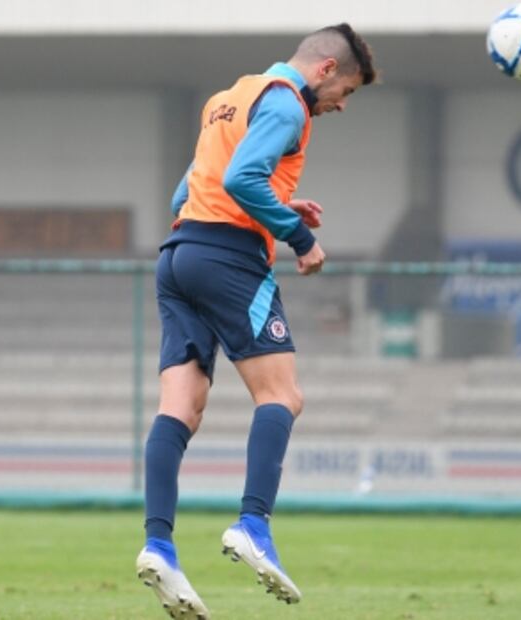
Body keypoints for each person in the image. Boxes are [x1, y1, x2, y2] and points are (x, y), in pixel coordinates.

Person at [135, 23, 378, 619]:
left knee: (180, 409)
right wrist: (296, 235)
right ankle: (253, 525)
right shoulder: (288, 105)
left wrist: (275, 201)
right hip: (228, 261)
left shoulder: (232, 96)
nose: (342, 105)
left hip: (179, 257)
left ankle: (159, 545)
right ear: (324, 70)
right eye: (345, 90)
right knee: (282, 396)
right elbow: (243, 180)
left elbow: (186, 195)